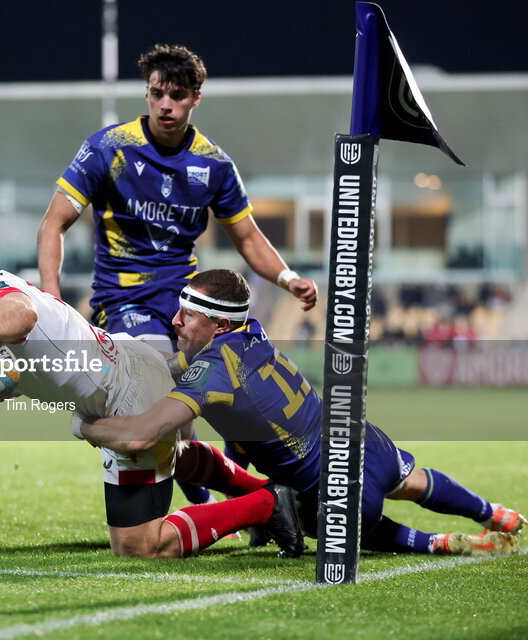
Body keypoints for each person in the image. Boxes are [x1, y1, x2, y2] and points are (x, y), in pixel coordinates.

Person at [0, 235, 304, 559]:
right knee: (176, 453)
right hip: (127, 361)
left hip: (126, 395)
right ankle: (264, 489)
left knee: (138, 546)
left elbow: (22, 313)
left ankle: (265, 506)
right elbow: (10, 375)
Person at [36, 43, 317, 507]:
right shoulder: (109, 148)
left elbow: (247, 238)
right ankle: (231, 505)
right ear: (147, 94)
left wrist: (287, 278)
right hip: (127, 302)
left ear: (195, 98)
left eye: (178, 95)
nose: (166, 104)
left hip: (191, 303)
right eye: (157, 94)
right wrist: (50, 294)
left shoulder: (214, 165)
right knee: (170, 414)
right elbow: (54, 223)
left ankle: (261, 500)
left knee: (237, 399)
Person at [78, 269, 527, 557]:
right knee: (411, 481)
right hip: (362, 439)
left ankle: (433, 543)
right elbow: (181, 372)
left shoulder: (215, 371)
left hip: (330, 490)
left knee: (322, 516)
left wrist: (86, 424)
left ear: (218, 326)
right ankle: (493, 513)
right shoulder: (251, 333)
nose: (174, 321)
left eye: (188, 315)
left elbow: (138, 436)